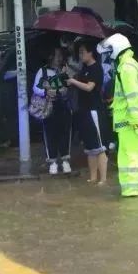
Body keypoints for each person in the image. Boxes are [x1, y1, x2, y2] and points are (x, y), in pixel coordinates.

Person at [97, 33, 138, 198]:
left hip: (130, 122)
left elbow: (133, 96)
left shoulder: (126, 68)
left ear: (116, 49)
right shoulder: (130, 64)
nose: (107, 56)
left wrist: (135, 120)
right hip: (135, 121)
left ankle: (130, 191)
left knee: (128, 157)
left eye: (109, 52)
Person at [67, 39, 108, 185]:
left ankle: (103, 178)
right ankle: (93, 177)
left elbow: (89, 87)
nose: (80, 54)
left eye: (83, 52)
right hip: (83, 110)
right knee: (90, 146)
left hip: (94, 110)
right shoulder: (83, 68)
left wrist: (73, 82)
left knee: (99, 146)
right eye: (79, 52)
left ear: (91, 52)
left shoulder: (96, 68)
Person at [33, 47, 72, 175]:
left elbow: (70, 84)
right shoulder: (42, 71)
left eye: (61, 55)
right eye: (57, 55)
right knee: (50, 134)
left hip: (64, 107)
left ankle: (65, 161)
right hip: (48, 107)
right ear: (51, 57)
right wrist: (46, 92)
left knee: (65, 133)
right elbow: (35, 88)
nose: (59, 58)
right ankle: (53, 162)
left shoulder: (65, 69)